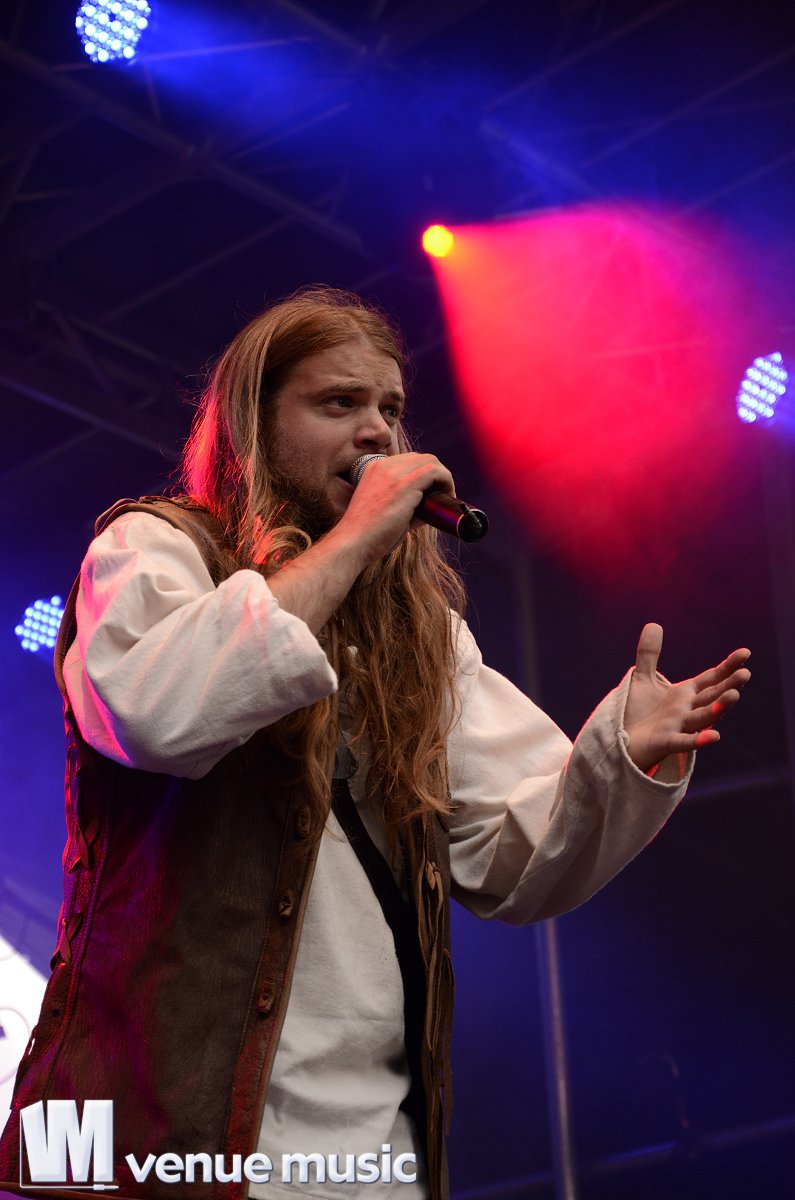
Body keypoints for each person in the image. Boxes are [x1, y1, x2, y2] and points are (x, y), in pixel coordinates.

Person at [0, 287, 750, 1200]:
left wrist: (618, 759)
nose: (376, 432)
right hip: (147, 1131)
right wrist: (354, 539)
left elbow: (511, 862)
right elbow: (155, 713)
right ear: (254, 425)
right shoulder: (155, 549)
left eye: (389, 408)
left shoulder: (420, 635)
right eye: (338, 403)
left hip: (365, 1149)